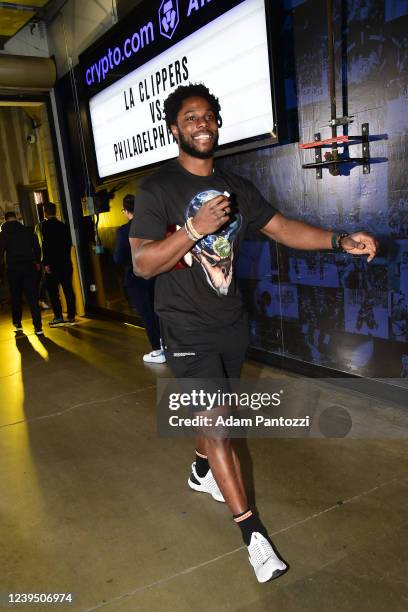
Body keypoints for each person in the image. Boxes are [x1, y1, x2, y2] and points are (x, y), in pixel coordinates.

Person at [129, 83, 378, 582]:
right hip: (184, 327)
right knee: (219, 420)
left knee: (212, 412)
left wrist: (338, 239)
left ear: (216, 125)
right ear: (174, 128)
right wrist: (194, 229)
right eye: (190, 117)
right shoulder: (157, 190)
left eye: (208, 116)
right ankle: (253, 536)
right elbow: (143, 263)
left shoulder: (237, 187)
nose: (201, 123)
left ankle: (202, 471)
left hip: (229, 323)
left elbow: (282, 227)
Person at [113, 194, 165, 363]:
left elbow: (119, 257)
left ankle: (158, 351)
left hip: (135, 278)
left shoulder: (123, 231)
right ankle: (168, 345)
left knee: (147, 314)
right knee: (160, 311)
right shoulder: (155, 226)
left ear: (126, 211)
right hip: (157, 274)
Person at [0, 211, 43, 335]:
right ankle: (38, 326)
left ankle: (18, 323)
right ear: (17, 218)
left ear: (5, 219)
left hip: (13, 269)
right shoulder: (28, 231)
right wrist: (38, 262)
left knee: (16, 296)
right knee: (32, 297)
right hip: (29, 267)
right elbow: (37, 247)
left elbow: (0, 252)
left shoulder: (4, 234)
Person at [41, 202, 76, 326]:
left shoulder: (44, 226)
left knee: (53, 292)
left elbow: (46, 246)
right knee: (68, 289)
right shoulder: (63, 226)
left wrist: (46, 263)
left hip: (53, 265)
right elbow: (68, 244)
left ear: (45, 212)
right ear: (55, 211)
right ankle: (71, 315)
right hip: (65, 263)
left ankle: (58, 316)